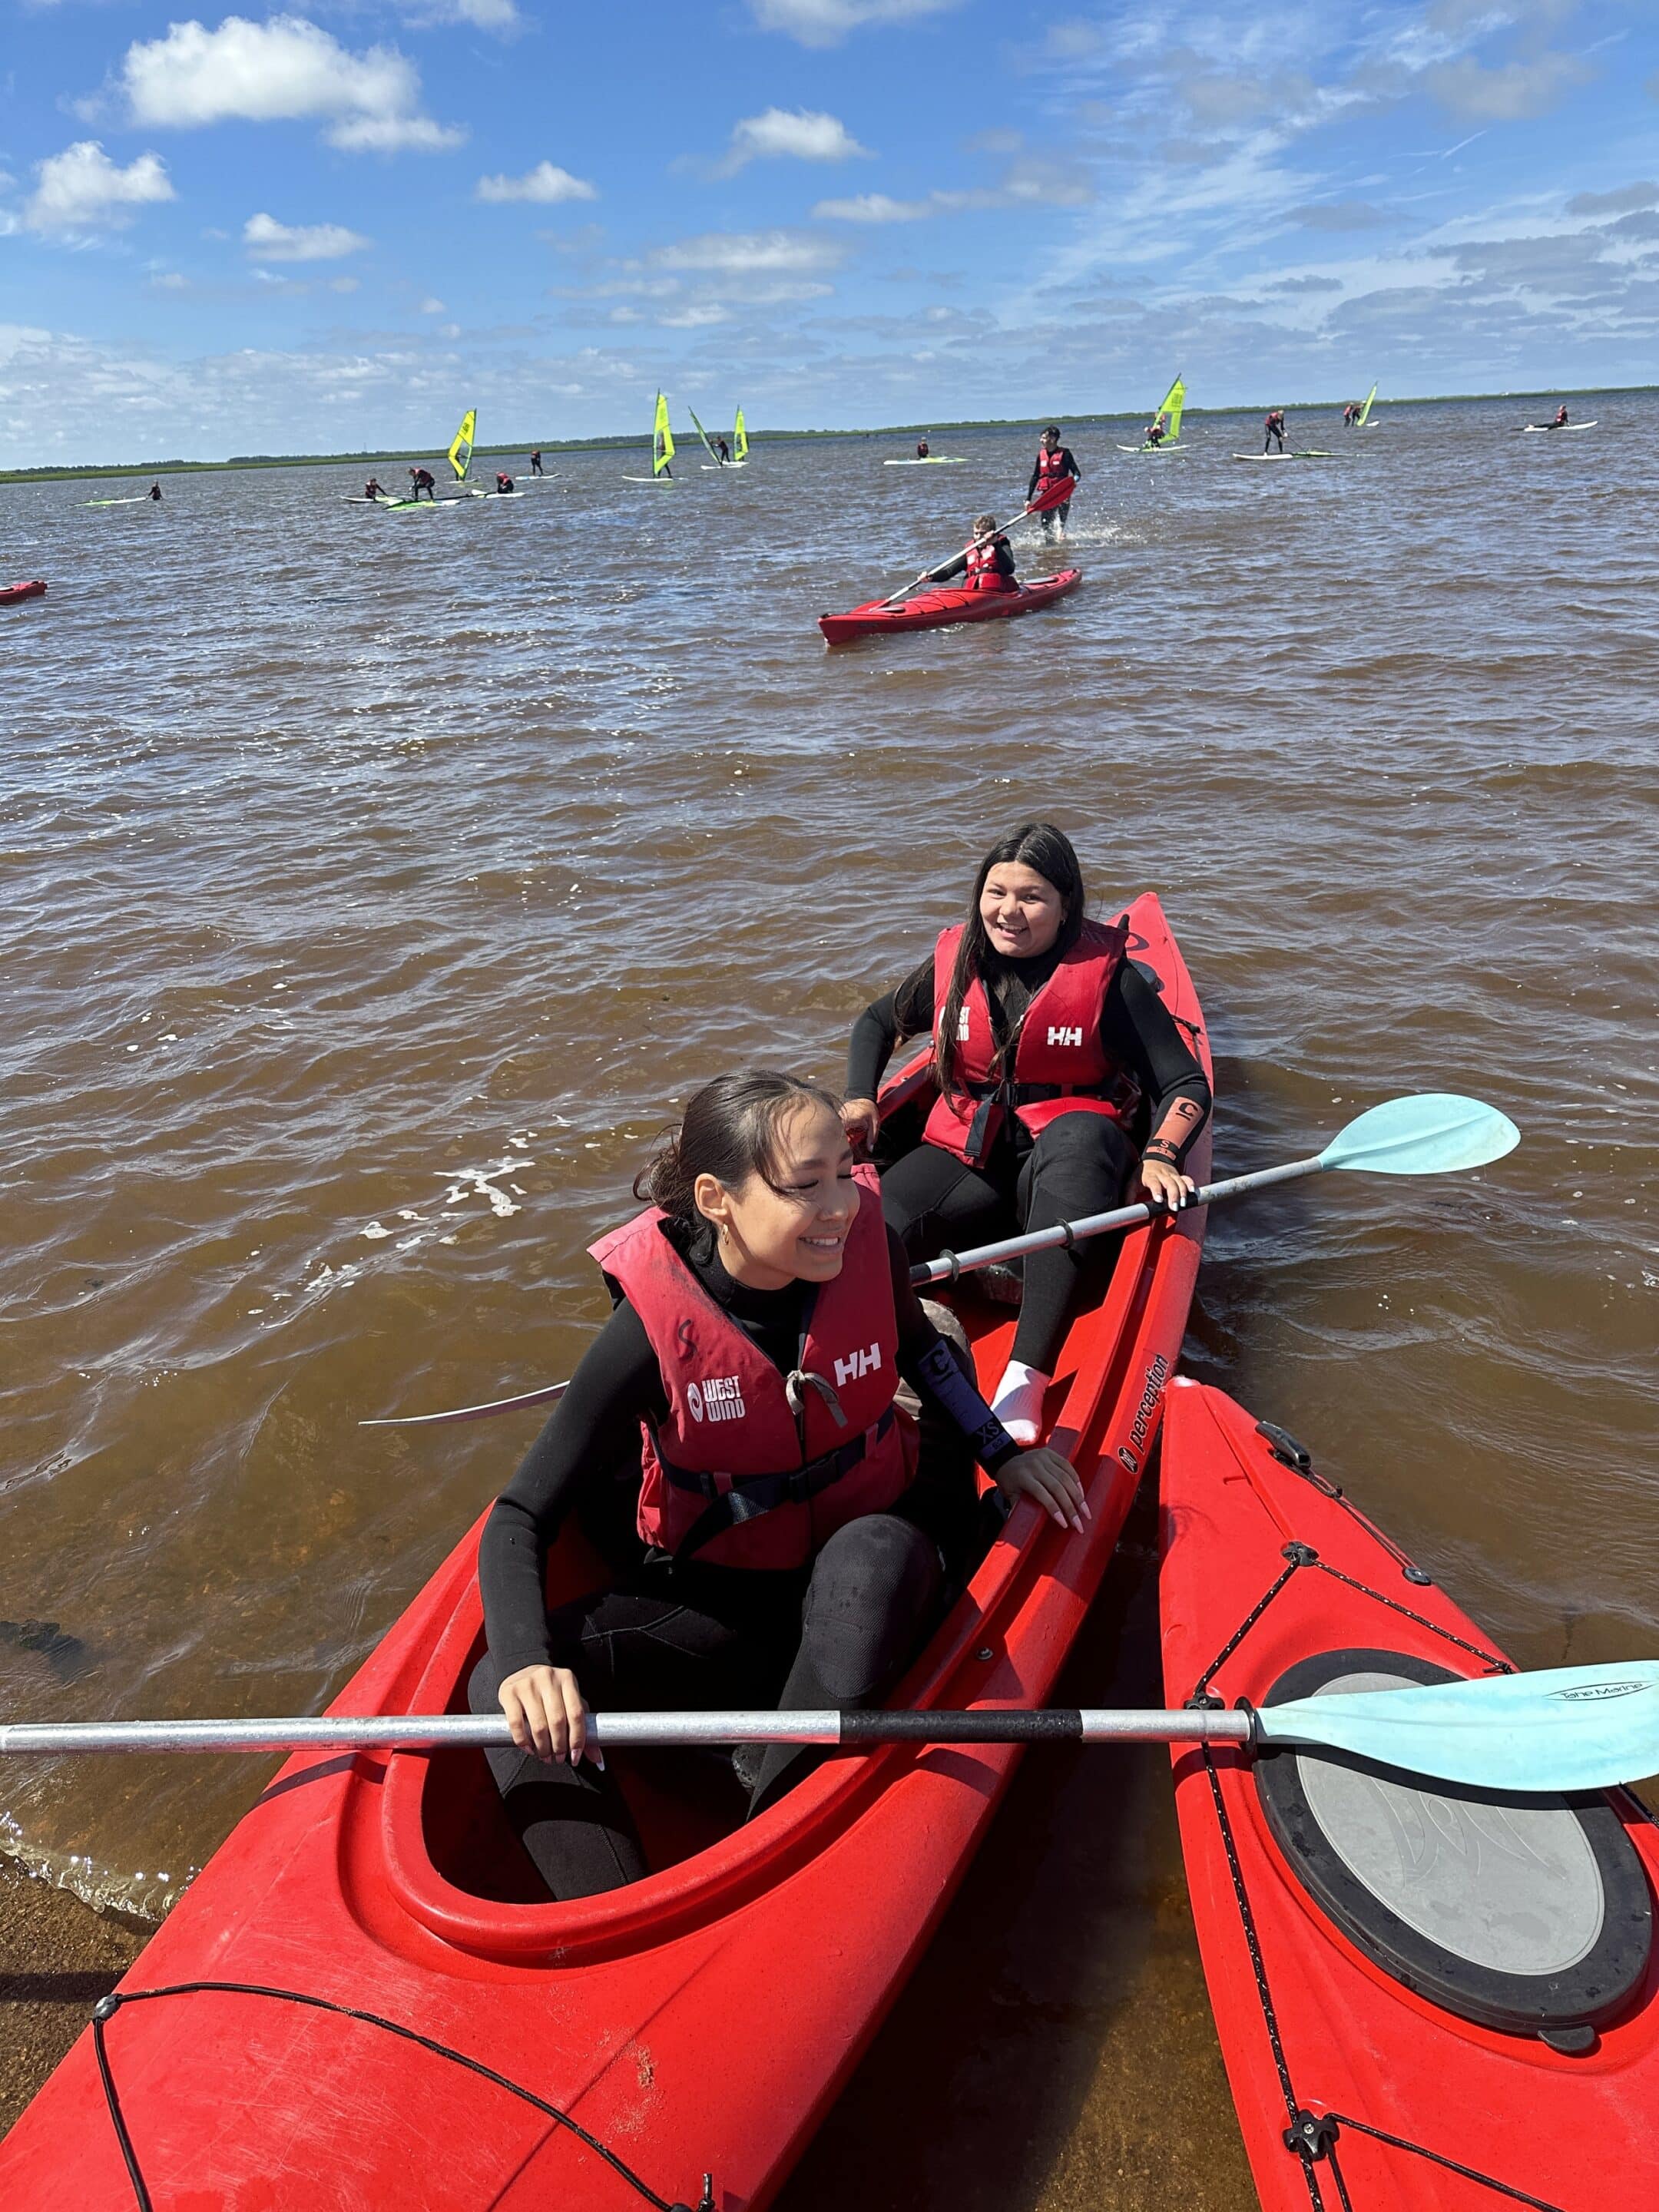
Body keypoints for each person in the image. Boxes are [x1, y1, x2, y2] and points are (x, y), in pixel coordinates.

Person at [469, 1072, 1086, 1899]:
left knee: (868, 1554)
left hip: (875, 1581)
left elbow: (922, 1349)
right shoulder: (648, 1329)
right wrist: (524, 1667)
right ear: (717, 1200)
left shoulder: (867, 1242)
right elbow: (518, 1518)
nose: (841, 1204)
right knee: (494, 1685)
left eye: (844, 1169)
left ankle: (771, 1835)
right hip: (732, 1615)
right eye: (805, 1186)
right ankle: (614, 1913)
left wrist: (999, 1449)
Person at [841, 823, 1210, 1446]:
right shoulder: (957, 961)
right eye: (996, 892)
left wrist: (1160, 1153)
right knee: (871, 1232)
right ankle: (849, 1362)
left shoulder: (1112, 981)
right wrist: (857, 1097)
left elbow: (1185, 1085)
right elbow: (878, 1022)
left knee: (1079, 1138)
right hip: (972, 1157)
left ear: (1066, 904)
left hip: (1070, 1166)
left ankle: (1025, 1375)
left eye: (1031, 897)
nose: (1008, 912)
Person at [916, 515, 1016, 597]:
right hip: (972, 594)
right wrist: (931, 577)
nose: (978, 537)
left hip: (997, 593)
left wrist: (995, 544)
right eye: (976, 533)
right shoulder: (970, 550)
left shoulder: (1002, 545)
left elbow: (1010, 569)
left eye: (982, 534)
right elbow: (948, 572)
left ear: (991, 533)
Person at [1028, 426, 1079, 537]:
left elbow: (1077, 474)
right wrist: (1028, 499)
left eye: (1044, 438)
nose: (1041, 440)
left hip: (1062, 493)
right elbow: (1036, 476)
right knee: (1045, 524)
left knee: (1060, 524)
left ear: (1053, 439)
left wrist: (1072, 483)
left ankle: (1061, 533)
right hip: (1047, 495)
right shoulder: (1041, 455)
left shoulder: (1065, 454)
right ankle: (1050, 545)